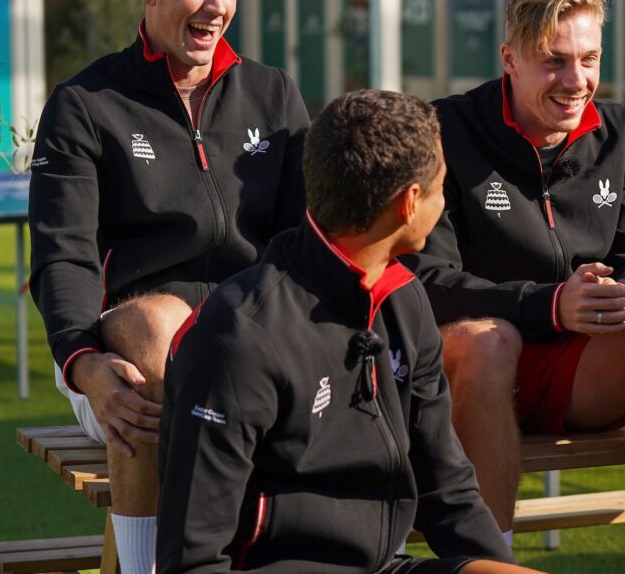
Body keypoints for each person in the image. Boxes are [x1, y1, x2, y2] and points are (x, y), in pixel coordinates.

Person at [402, 0, 625, 574]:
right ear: (509, 59)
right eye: (554, 61)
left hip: (580, 366)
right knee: (491, 342)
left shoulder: (618, 129)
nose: (577, 82)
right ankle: (492, 563)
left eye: (590, 58)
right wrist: (548, 304)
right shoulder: (446, 129)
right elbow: (424, 281)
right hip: (470, 369)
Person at [27, 0, 307, 572]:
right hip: (118, 360)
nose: (217, 7)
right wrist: (81, 361)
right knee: (157, 329)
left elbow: (303, 242)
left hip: (245, 343)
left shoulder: (272, 95)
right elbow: (62, 254)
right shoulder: (85, 104)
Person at [157, 90, 539, 574]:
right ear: (410, 203)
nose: (446, 202)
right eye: (444, 186)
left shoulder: (405, 298)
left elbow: (448, 491)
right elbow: (191, 561)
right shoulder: (239, 336)